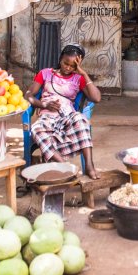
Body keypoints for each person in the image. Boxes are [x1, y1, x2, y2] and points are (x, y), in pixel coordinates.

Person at [25, 44, 102, 179]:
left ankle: (90, 165)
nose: (68, 67)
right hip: (47, 117)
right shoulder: (45, 73)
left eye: (72, 66)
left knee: (81, 119)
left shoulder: (79, 79)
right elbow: (28, 95)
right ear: (60, 58)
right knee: (37, 130)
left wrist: (83, 73)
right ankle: (66, 167)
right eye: (65, 63)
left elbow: (96, 98)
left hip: (67, 117)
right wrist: (44, 104)